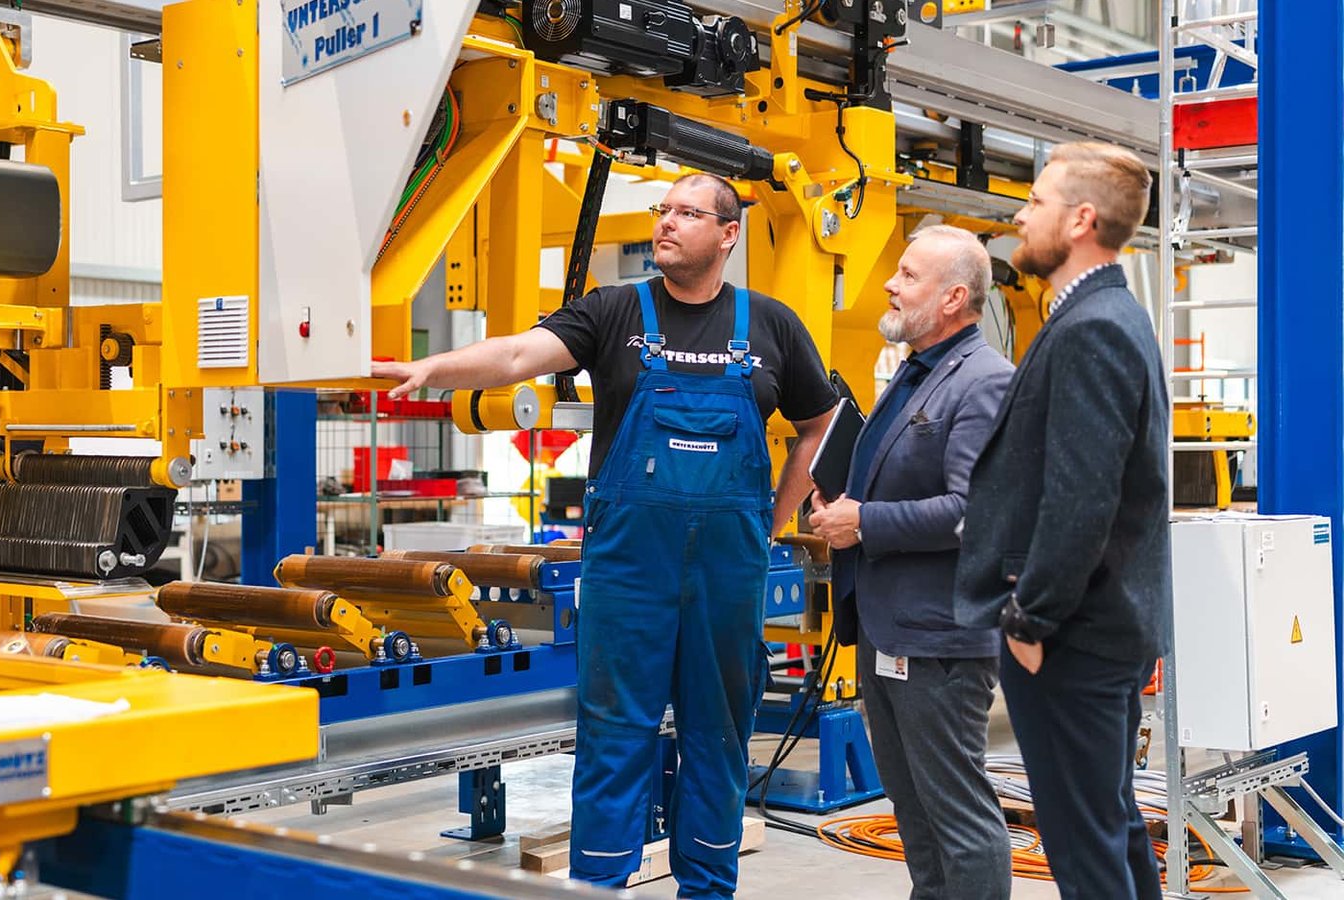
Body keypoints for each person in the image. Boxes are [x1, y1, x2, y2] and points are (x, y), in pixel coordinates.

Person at [374, 172, 838, 898]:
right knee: (613, 741)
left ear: (728, 233)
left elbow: (820, 426)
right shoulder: (614, 311)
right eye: (663, 211)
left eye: (688, 213)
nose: (666, 224)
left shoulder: (772, 326)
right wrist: (435, 367)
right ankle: (597, 887)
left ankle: (708, 890)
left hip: (729, 577)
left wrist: (773, 520)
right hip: (630, 577)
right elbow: (519, 357)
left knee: (718, 740)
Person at [954, 142, 1168, 899]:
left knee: (1085, 852)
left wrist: (1029, 621)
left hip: (1071, 635)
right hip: (1098, 629)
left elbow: (1083, 497)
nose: (1020, 212)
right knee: (1109, 829)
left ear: (1081, 219)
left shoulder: (1092, 328)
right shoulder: (1106, 315)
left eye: (1037, 201)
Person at [807, 225, 1014, 900]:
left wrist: (862, 520)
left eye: (908, 275)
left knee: (958, 817)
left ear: (954, 297)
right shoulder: (917, 371)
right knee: (915, 816)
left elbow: (970, 512)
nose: (891, 285)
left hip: (939, 641)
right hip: (889, 630)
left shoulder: (982, 382)